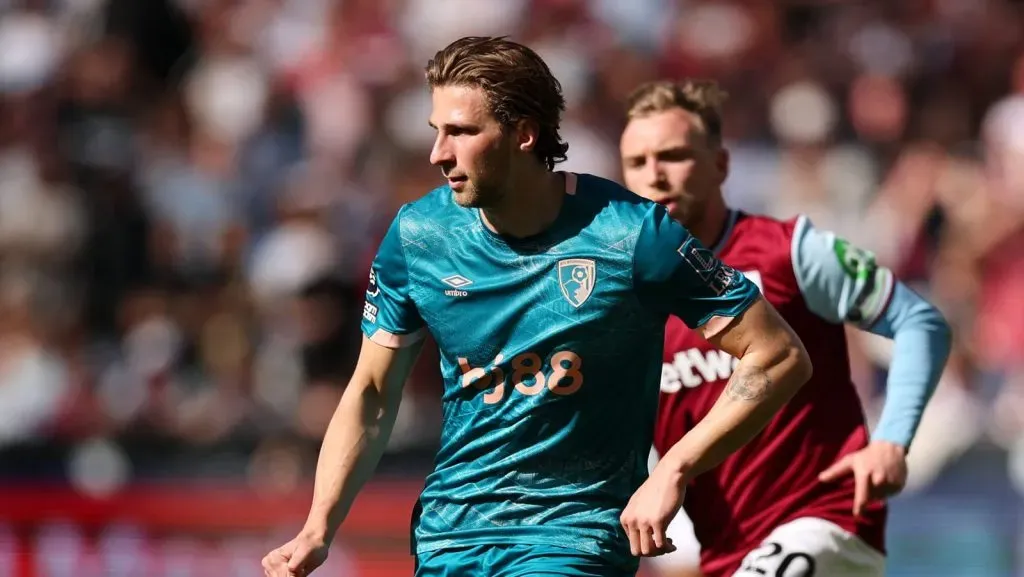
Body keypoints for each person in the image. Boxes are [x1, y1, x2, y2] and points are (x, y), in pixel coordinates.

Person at [262, 38, 813, 577]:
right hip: (449, 536)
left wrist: (674, 469)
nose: (438, 153)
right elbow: (373, 393)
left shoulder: (634, 234)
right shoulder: (417, 235)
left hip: (572, 537)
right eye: (437, 132)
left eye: (461, 132)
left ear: (524, 134)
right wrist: (318, 528)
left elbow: (778, 354)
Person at [619, 79, 953, 577]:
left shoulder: (790, 251)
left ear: (721, 165)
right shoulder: (626, 299)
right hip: (724, 552)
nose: (656, 175)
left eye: (673, 155)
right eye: (638, 163)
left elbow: (919, 321)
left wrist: (891, 441)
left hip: (826, 522)